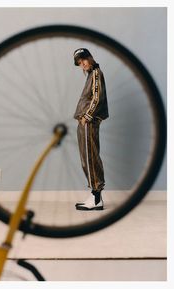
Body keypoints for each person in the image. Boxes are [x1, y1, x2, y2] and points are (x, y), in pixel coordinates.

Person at [73, 48, 109, 210]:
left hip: (89, 122)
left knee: (90, 157)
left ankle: (96, 199)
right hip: (84, 122)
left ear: (90, 57)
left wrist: (86, 117)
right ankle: (94, 195)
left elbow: (97, 97)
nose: (83, 65)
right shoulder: (90, 75)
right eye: (80, 63)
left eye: (84, 60)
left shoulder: (96, 73)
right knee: (86, 157)